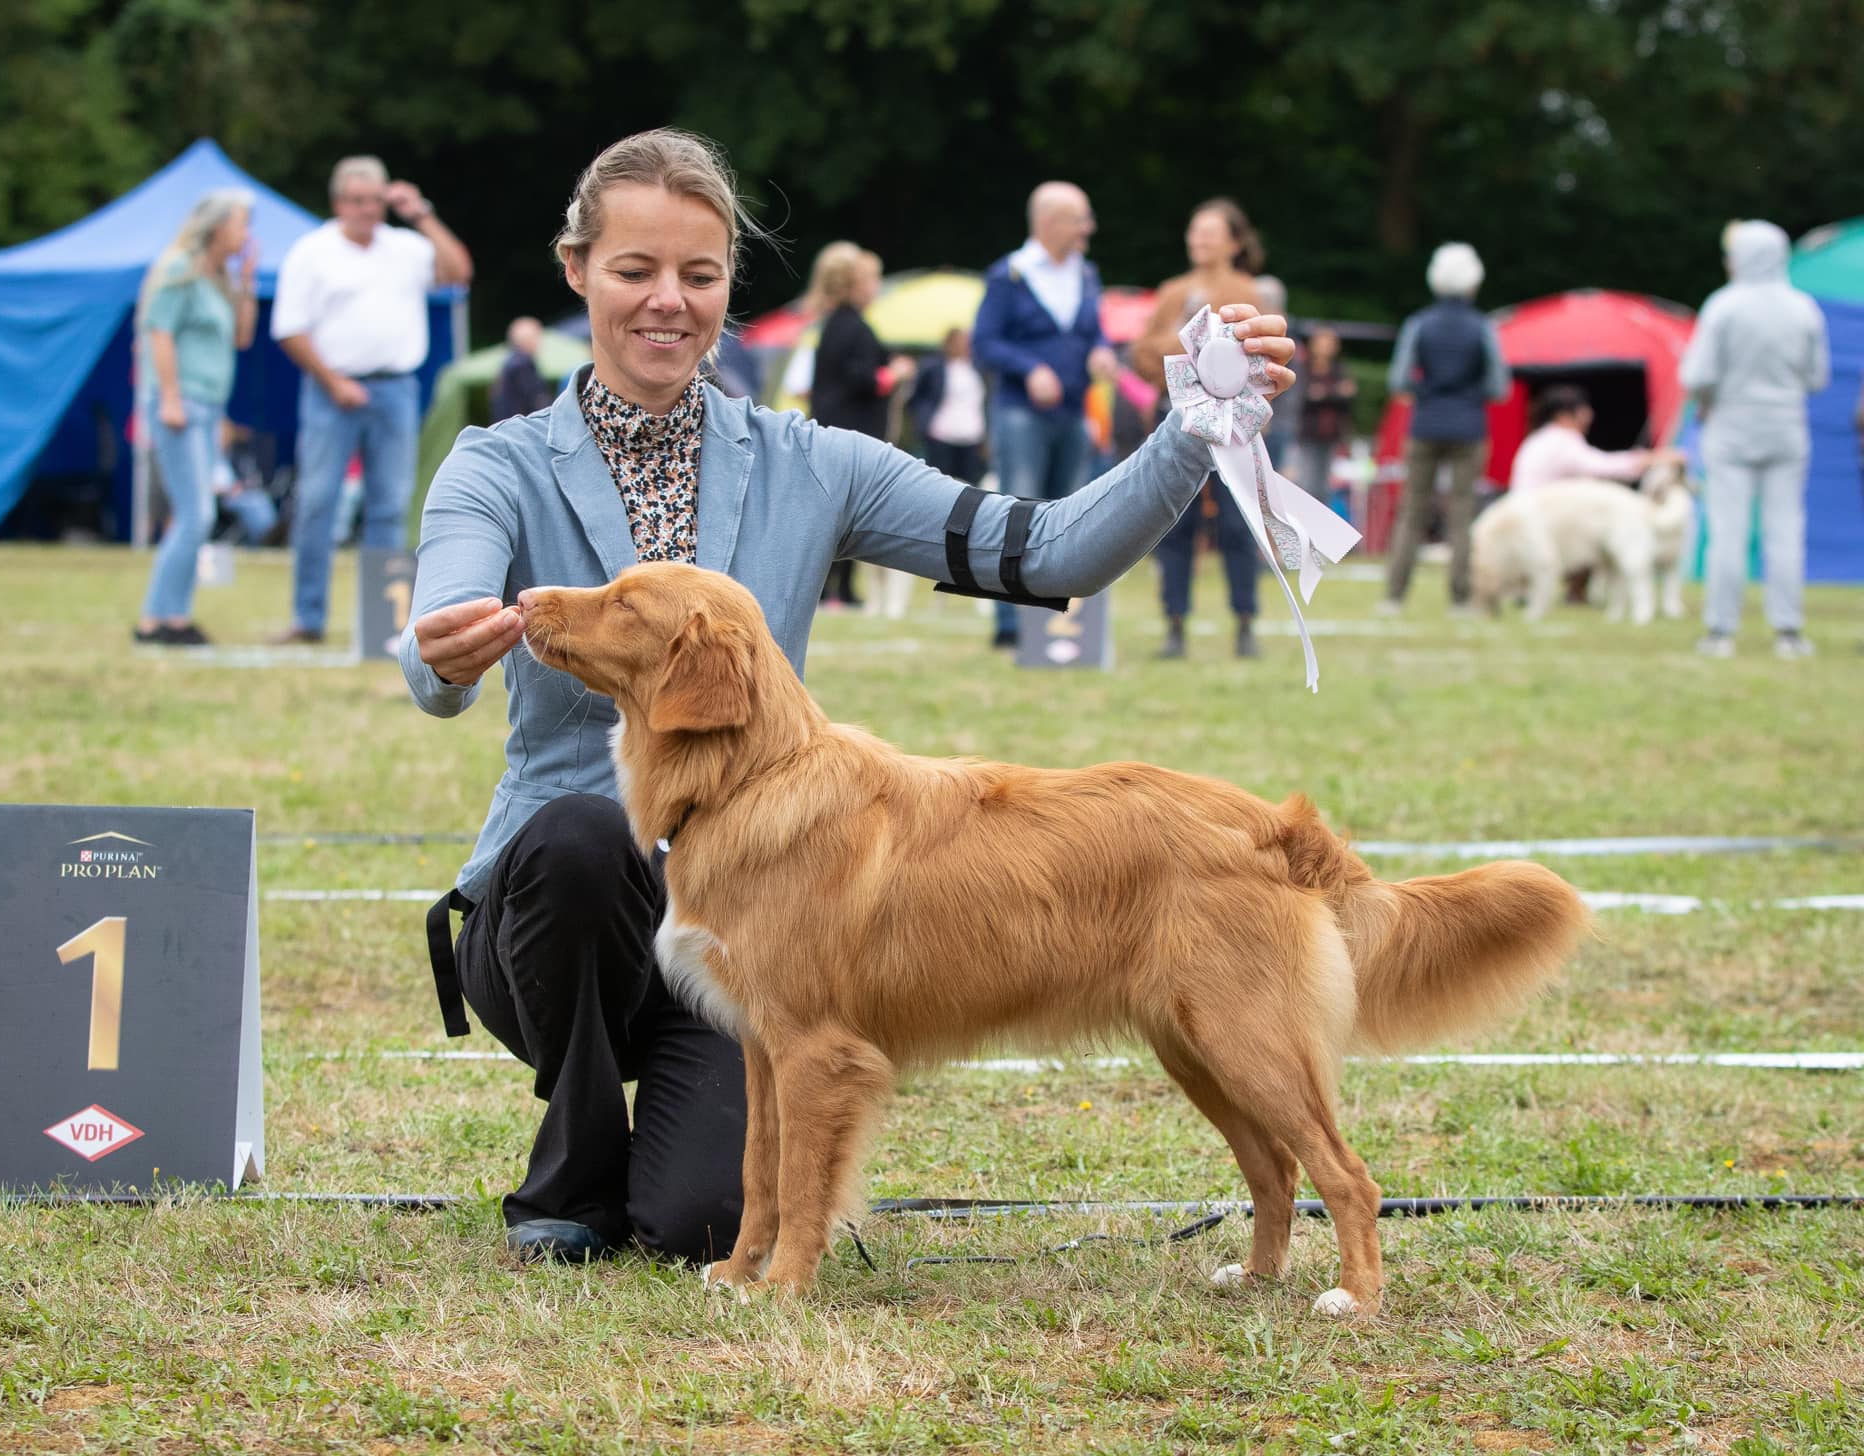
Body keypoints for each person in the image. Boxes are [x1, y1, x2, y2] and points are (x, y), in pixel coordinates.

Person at [400, 128, 1296, 1266]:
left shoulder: (809, 461)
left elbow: (1050, 552)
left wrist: (1190, 432)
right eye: (634, 270)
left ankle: (666, 1175)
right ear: (576, 269)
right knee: (577, 836)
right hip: (560, 924)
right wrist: (444, 650)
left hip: (759, 925)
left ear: (730, 287)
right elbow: (441, 631)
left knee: (703, 1224)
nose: (666, 302)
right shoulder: (496, 462)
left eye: (699, 274)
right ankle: (571, 1176)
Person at [270, 156, 473, 644]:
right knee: (318, 501)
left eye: (374, 201)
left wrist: (421, 214)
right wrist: (332, 380)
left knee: (390, 504)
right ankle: (308, 618)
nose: (366, 210)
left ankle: (383, 623)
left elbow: (458, 271)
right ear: (339, 203)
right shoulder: (311, 251)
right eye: (356, 201)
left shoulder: (405, 247)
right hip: (330, 388)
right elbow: (289, 329)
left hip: (395, 387)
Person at [972, 181, 1117, 647]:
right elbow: (985, 342)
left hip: (1074, 413)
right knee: (1018, 514)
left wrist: (1102, 351)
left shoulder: (1087, 275)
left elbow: (1096, 332)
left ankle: (1057, 626)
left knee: (1070, 518)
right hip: (1021, 415)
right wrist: (1029, 368)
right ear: (1050, 222)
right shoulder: (1009, 274)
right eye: (1080, 219)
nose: (1088, 228)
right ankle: (1011, 625)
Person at [1680, 220, 1830, 659]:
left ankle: (1720, 631)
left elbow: (1698, 374)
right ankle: (1789, 631)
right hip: (1787, 426)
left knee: (1729, 530)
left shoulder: (1724, 307)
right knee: (1785, 529)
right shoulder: (1803, 308)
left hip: (1731, 426)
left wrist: (1710, 399)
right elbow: (1817, 377)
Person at [1130, 198, 1269, 661]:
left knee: (1237, 524)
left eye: (1210, 231)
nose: (1200, 239)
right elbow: (1143, 352)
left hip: (1234, 427)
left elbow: (1258, 354)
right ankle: (1174, 626)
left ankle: (1245, 623)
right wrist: (1193, 344)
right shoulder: (1172, 291)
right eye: (1195, 230)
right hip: (1174, 420)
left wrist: (1186, 345)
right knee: (1172, 524)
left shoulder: (1251, 291)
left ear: (1234, 241)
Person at [132, 188, 257, 646]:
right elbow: (158, 333)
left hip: (207, 406)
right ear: (218, 226)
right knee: (195, 513)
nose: (247, 234)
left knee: (194, 515)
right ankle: (155, 619)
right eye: (242, 224)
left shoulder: (216, 277)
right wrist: (168, 397)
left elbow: (241, 337)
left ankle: (174, 617)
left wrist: (245, 280)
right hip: (180, 403)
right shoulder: (179, 270)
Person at [1379, 242, 1510, 615]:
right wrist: (1470, 394)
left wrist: (1427, 392)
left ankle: (1394, 595)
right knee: (1462, 513)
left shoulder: (1419, 324)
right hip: (1470, 426)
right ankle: (1460, 598)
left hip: (1424, 425)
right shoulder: (1482, 327)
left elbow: (1399, 380)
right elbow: (1498, 386)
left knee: (1412, 510)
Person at [808, 243, 914, 607]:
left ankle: (840, 588)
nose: (876, 287)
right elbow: (859, 378)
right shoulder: (849, 325)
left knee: (845, 513)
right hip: (849, 432)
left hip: (838, 430)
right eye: (871, 280)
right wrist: (892, 374)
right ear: (851, 283)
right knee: (843, 513)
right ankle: (831, 589)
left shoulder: (837, 324)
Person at [1508, 385, 1667, 495]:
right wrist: (1651, 460)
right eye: (1583, 411)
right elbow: (1604, 467)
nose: (1590, 416)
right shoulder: (1560, 440)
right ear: (1563, 416)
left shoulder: (1539, 439)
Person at [908, 326, 987, 486]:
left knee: (970, 485)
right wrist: (923, 423)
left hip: (971, 434)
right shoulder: (934, 366)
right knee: (940, 483)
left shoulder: (977, 367)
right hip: (942, 433)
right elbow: (917, 396)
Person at [1296, 326, 1358, 503]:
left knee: (1324, 484)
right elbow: (1303, 397)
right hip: (1308, 431)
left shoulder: (1339, 369)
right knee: (1306, 480)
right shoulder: (1304, 368)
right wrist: (1335, 393)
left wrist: (1323, 394)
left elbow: (1348, 396)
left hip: (1331, 433)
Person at [489, 317, 554, 422]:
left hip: (508, 425)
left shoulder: (508, 363)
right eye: (537, 337)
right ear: (528, 340)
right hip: (522, 426)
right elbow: (536, 399)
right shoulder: (522, 365)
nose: (539, 343)